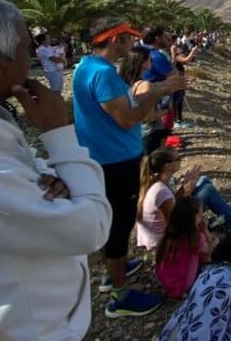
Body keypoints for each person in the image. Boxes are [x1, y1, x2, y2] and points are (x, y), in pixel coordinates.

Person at [0, 0, 112, 341]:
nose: (33, 58)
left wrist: (44, 174)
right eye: (27, 48)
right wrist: (59, 134)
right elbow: (92, 227)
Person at [73, 18, 185, 318]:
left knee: (115, 222)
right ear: (114, 41)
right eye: (128, 40)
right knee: (120, 224)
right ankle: (120, 296)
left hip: (105, 157)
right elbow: (126, 118)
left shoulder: (86, 67)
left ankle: (114, 271)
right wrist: (162, 88)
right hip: (116, 161)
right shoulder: (103, 74)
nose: (133, 46)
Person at [155, 197, 218, 298]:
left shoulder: (170, 234)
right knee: (208, 255)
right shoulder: (194, 237)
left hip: (167, 284)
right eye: (200, 215)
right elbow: (208, 251)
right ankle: (209, 280)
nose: (202, 217)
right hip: (183, 286)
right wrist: (206, 231)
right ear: (192, 218)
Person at [119, 46, 168, 155]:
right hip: (149, 133)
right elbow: (147, 117)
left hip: (131, 133)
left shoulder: (122, 81)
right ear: (143, 63)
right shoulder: (145, 85)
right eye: (150, 59)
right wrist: (166, 111)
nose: (152, 61)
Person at [169, 35, 198, 128]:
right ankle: (176, 120)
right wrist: (192, 51)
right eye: (176, 41)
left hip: (179, 80)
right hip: (177, 80)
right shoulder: (173, 53)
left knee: (179, 100)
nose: (177, 43)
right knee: (177, 100)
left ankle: (178, 120)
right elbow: (185, 59)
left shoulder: (175, 52)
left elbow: (186, 60)